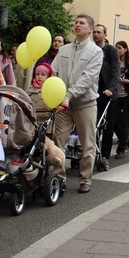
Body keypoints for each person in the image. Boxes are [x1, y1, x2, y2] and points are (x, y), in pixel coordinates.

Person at [51, 14, 103, 193]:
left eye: (82, 23)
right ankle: (59, 177)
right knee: (58, 141)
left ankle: (85, 178)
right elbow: (53, 71)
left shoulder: (96, 52)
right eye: (76, 23)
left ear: (90, 29)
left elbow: (88, 79)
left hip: (85, 103)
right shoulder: (63, 50)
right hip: (63, 105)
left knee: (87, 143)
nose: (77, 25)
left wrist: (69, 95)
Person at [92, 24, 120, 171]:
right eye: (94, 32)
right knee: (93, 125)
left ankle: (105, 157)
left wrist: (111, 89)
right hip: (93, 92)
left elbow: (116, 72)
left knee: (107, 127)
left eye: (98, 32)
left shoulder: (111, 51)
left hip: (108, 93)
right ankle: (92, 154)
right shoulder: (90, 48)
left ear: (105, 34)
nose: (95, 35)